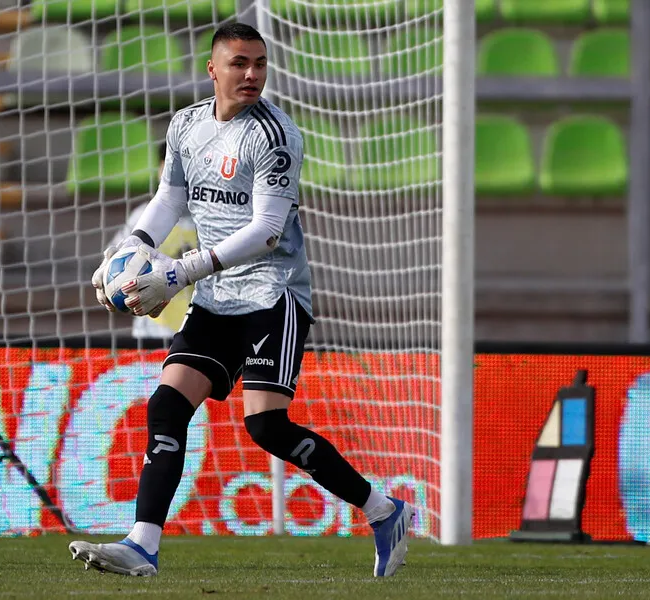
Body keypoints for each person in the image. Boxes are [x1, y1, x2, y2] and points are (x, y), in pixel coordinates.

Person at [72, 22, 414, 578]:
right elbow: (169, 199)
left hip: (272, 295)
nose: (251, 74)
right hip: (216, 294)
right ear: (213, 69)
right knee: (166, 405)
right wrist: (130, 247)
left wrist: (181, 271)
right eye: (239, 64)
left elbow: (267, 231)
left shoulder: (275, 137)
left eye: (259, 63)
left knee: (266, 428)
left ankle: (383, 510)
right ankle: (143, 544)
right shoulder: (186, 125)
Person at [108, 141, 197, 339]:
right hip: (151, 333)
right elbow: (116, 263)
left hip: (201, 331)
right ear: (159, 169)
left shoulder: (210, 219)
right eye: (168, 167)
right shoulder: (143, 216)